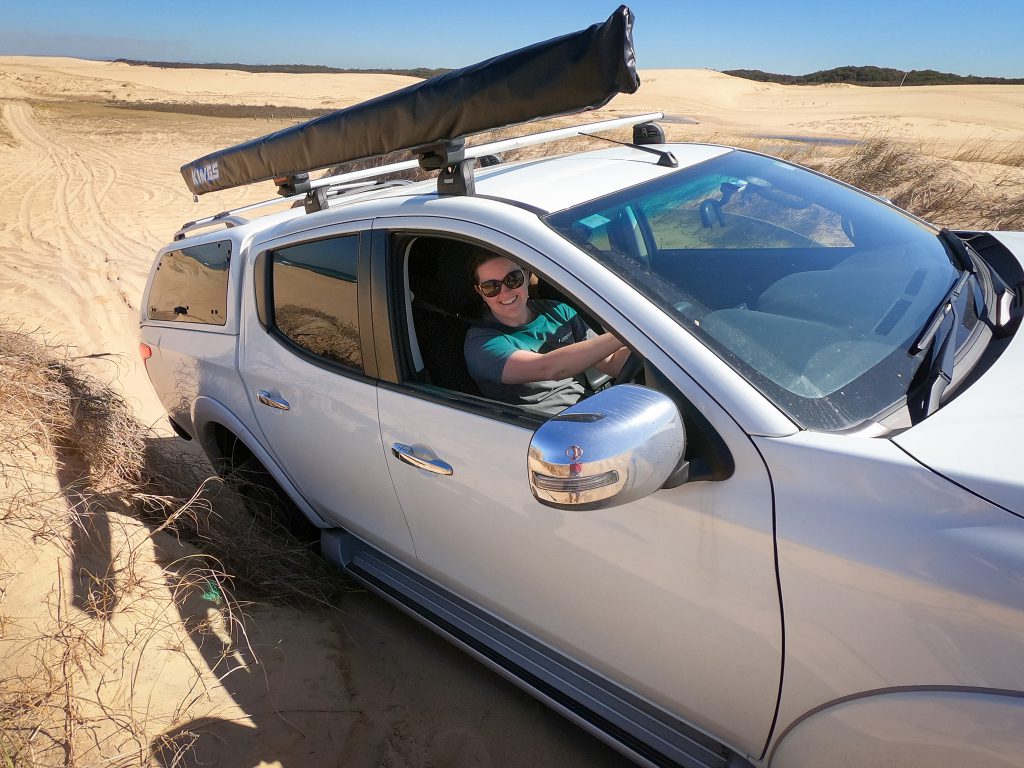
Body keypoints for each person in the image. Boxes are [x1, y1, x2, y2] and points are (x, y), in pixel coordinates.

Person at [464, 253, 629, 415]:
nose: (505, 292)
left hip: (590, 411)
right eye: (491, 287)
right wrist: (623, 333)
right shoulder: (481, 342)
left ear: (527, 276)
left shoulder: (558, 311)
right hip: (539, 431)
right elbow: (548, 367)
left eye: (513, 279)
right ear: (480, 292)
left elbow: (611, 362)